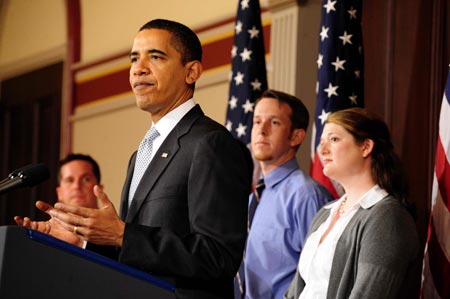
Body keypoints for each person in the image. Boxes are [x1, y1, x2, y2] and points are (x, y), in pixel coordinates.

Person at [29, 19, 252, 299]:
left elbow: (217, 257)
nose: (138, 68)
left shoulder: (210, 143)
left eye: (155, 57)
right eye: (134, 58)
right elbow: (134, 253)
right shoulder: (141, 154)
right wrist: (84, 241)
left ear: (191, 72)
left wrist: (123, 234)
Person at [285, 107, 421, 299]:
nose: (322, 150)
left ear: (365, 147)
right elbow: (296, 291)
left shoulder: (387, 217)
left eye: (334, 139)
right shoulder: (325, 212)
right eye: (322, 142)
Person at [237, 89, 332, 299]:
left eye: (274, 123)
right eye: (257, 121)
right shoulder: (254, 197)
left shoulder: (307, 196)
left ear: (296, 136)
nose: (261, 131)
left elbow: (321, 278)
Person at [14, 153, 103, 247]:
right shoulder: (45, 234)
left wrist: (79, 242)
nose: (77, 186)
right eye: (70, 180)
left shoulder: (116, 232)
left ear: (99, 188)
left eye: (86, 179)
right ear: (59, 193)